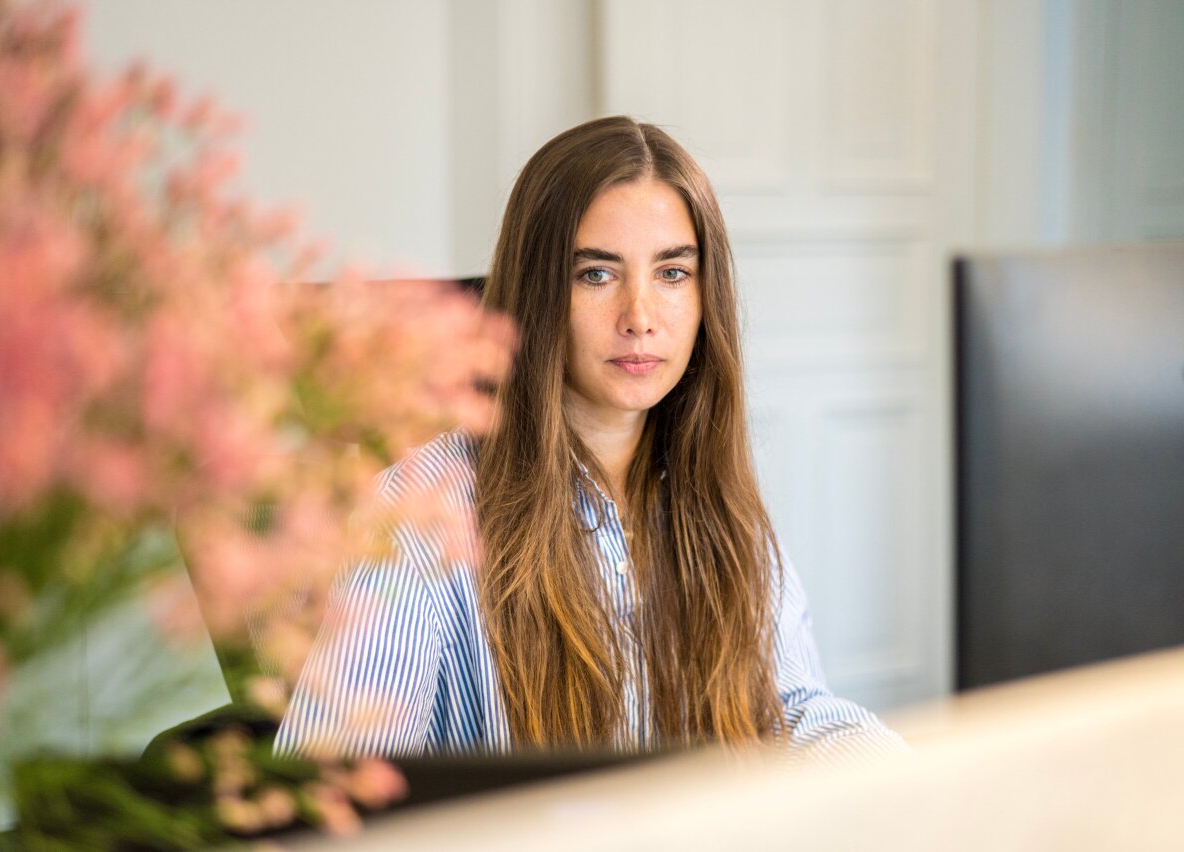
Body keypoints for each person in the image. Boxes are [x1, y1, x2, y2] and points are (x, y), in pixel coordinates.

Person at [274, 116, 905, 761]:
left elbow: (786, 709)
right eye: (596, 275)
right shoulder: (426, 515)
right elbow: (330, 786)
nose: (640, 318)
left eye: (672, 273)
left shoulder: (713, 499)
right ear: (537, 292)